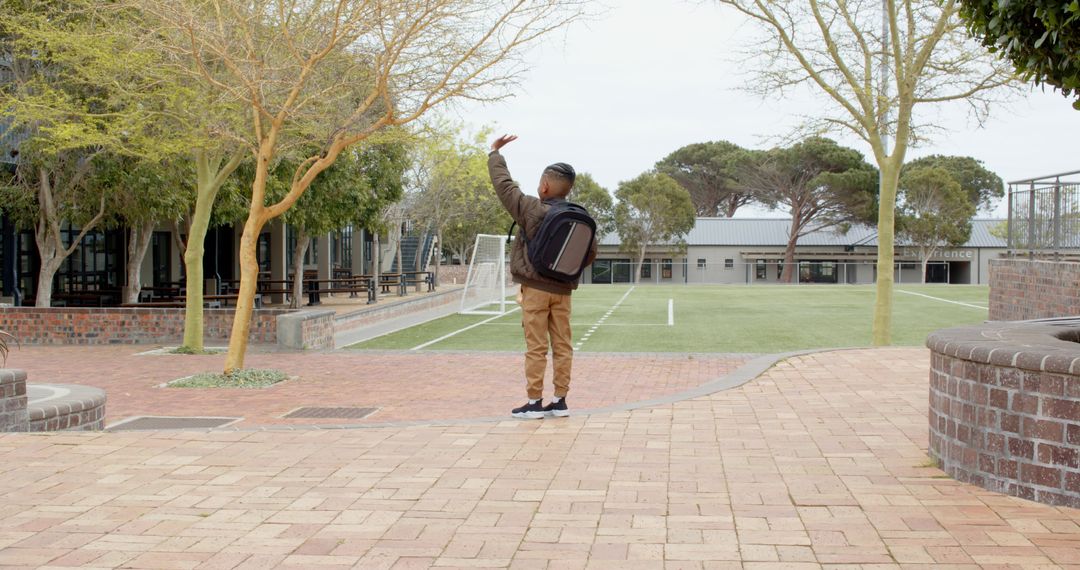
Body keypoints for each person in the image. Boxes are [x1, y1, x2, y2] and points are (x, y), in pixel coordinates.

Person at [488, 134, 598, 419]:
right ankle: (560, 401)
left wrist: (495, 153)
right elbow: (590, 253)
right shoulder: (579, 216)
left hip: (535, 290)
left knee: (536, 347)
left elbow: (504, 186)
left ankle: (534, 403)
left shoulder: (531, 209)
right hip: (563, 292)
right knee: (563, 345)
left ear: (545, 186)